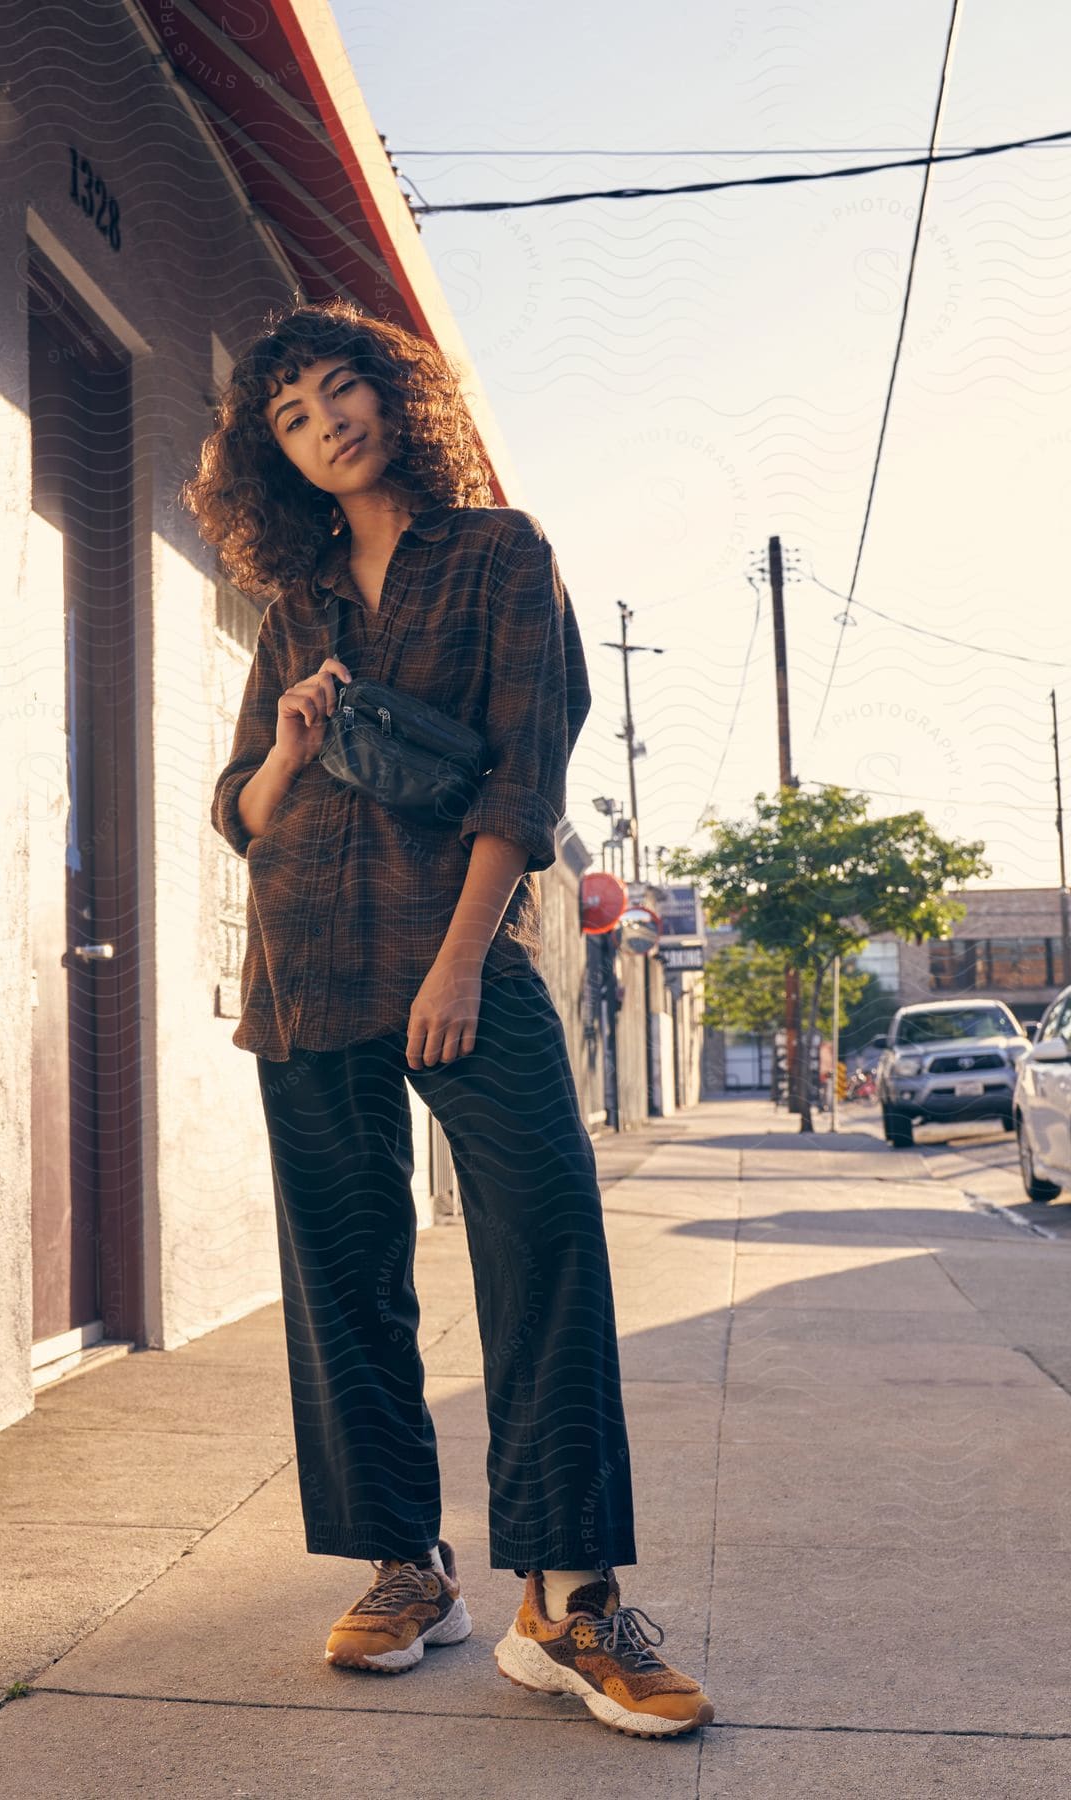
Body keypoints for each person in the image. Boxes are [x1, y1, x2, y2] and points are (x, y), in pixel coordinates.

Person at [183, 298, 713, 1739]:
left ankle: (567, 1598)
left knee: (543, 1242)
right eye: (289, 418)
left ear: (394, 397)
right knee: (345, 1272)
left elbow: (520, 785)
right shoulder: (295, 603)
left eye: (341, 393)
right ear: (272, 456)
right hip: (303, 961)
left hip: (452, 958)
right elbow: (237, 811)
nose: (324, 426)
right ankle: (404, 1568)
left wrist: (464, 962)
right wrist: (289, 747)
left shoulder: (501, 556)